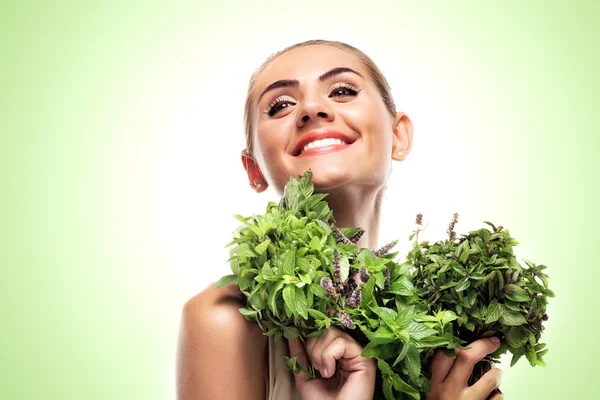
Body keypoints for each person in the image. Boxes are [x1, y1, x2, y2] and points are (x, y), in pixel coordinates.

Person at [176, 39, 504, 400]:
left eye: (343, 91)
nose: (312, 108)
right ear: (253, 169)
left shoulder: (437, 327)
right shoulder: (224, 320)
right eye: (281, 105)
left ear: (399, 135)